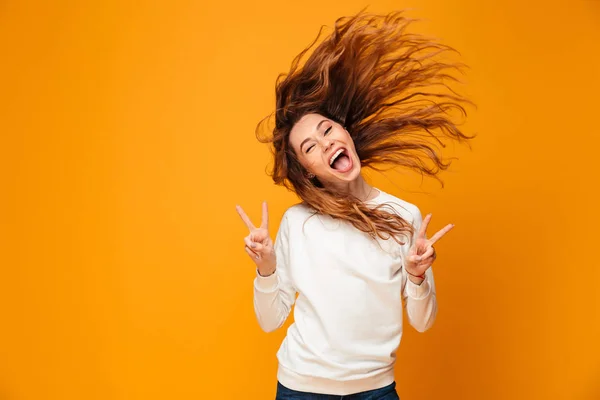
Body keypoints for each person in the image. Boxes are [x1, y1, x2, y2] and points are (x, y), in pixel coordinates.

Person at [236, 9, 475, 400]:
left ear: (346, 132)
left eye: (327, 129)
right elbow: (270, 321)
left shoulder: (403, 216)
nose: (326, 142)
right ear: (309, 172)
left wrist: (416, 277)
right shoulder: (298, 223)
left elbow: (423, 321)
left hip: (375, 391)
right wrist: (265, 268)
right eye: (310, 146)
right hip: (301, 389)